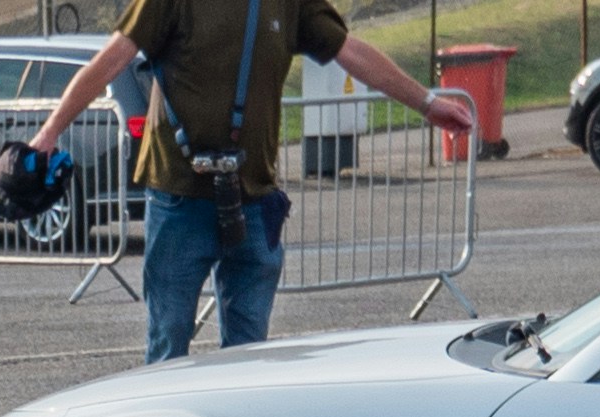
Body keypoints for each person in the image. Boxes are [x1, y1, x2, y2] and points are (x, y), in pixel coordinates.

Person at [25, 0, 477, 363]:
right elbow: (111, 59)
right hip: (181, 198)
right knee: (168, 347)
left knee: (247, 358)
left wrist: (427, 103)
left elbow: (350, 51)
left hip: (255, 198)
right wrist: (49, 132)